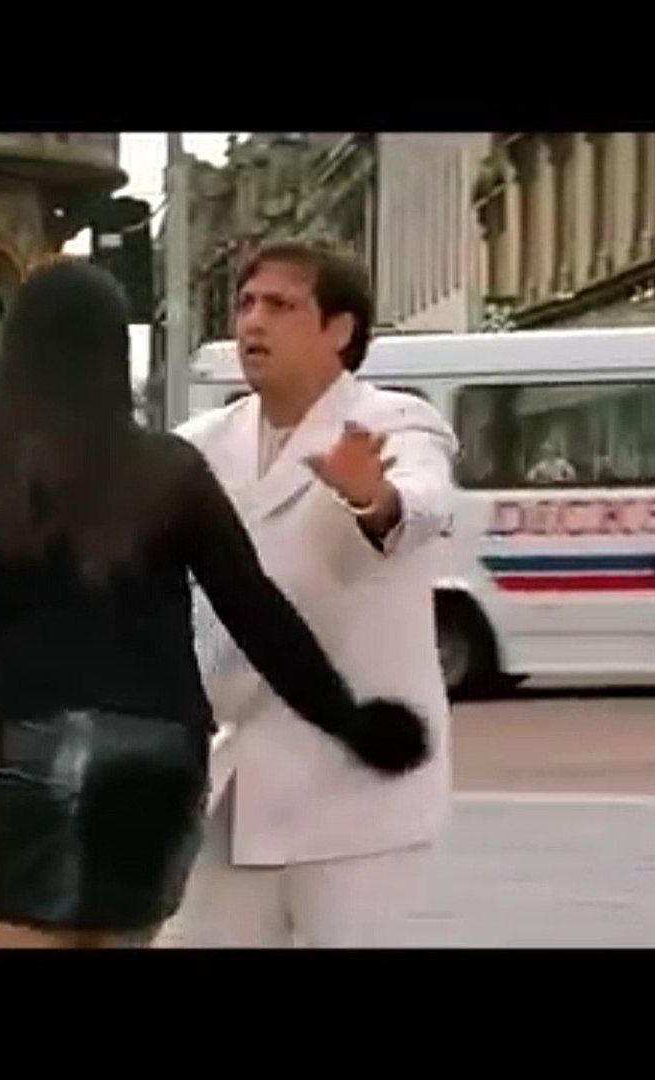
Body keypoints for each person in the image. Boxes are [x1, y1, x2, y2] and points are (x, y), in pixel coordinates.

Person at [0, 257, 431, 948]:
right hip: (162, 760)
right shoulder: (170, 471)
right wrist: (358, 724)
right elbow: (260, 617)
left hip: (36, 756)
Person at [176, 239, 459, 948]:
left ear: (339, 329)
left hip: (355, 789)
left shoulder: (395, 422)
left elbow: (425, 504)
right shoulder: (201, 444)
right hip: (235, 788)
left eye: (280, 305)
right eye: (246, 303)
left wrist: (375, 498)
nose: (253, 322)